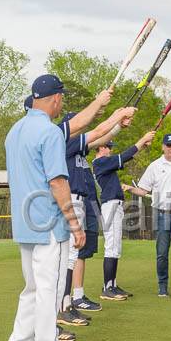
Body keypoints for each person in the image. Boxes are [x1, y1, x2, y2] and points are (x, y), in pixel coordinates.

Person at [3, 74, 85, 341]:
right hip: (49, 224)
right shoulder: (50, 133)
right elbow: (58, 182)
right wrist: (75, 225)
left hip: (25, 223)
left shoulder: (14, 131)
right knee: (49, 290)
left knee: (32, 289)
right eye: (61, 97)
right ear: (56, 98)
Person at [58, 100, 137, 327]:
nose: (81, 131)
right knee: (70, 255)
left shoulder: (77, 146)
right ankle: (64, 306)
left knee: (77, 254)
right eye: (77, 127)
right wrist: (118, 113)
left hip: (83, 201)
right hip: (72, 199)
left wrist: (119, 124)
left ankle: (72, 300)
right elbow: (99, 132)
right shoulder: (66, 142)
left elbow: (100, 138)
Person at [130, 133, 171, 300]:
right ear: (163, 147)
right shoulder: (154, 166)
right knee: (161, 253)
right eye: (169, 145)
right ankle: (162, 287)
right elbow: (143, 190)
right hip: (160, 214)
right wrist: (128, 188)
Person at [93, 131, 156, 300]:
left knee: (116, 248)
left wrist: (142, 146)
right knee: (111, 246)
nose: (110, 150)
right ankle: (107, 288)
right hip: (110, 205)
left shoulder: (105, 163)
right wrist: (142, 139)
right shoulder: (100, 162)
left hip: (115, 205)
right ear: (99, 147)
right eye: (108, 147)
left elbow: (127, 157)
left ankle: (112, 284)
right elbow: (125, 155)